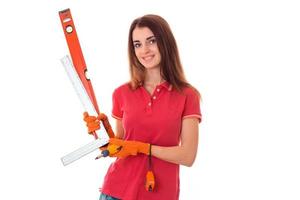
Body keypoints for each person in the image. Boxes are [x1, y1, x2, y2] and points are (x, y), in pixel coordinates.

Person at [84, 14, 202, 200]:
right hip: (116, 192)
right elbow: (119, 146)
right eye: (137, 44)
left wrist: (143, 147)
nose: (144, 50)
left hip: (160, 195)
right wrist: (101, 133)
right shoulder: (122, 93)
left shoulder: (187, 95)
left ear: (166, 42)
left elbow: (187, 156)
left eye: (151, 41)